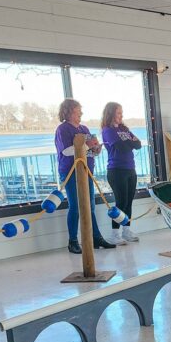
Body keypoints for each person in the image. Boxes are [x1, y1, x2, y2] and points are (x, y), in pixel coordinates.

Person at [55, 99, 115, 254]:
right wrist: (87, 146)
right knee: (75, 206)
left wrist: (95, 150)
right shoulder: (62, 129)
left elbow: (88, 151)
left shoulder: (84, 128)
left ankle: (96, 237)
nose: (80, 113)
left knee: (90, 206)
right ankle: (73, 241)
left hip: (86, 171)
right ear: (69, 112)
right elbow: (66, 151)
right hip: (70, 172)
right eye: (77, 111)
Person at [101, 102, 142, 245]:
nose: (121, 115)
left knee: (129, 202)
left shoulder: (124, 129)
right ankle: (115, 234)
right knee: (121, 202)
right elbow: (121, 147)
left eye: (121, 112)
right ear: (111, 113)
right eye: (118, 112)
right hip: (116, 170)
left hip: (130, 169)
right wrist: (131, 141)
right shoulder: (108, 130)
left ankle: (126, 231)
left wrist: (130, 142)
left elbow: (138, 145)